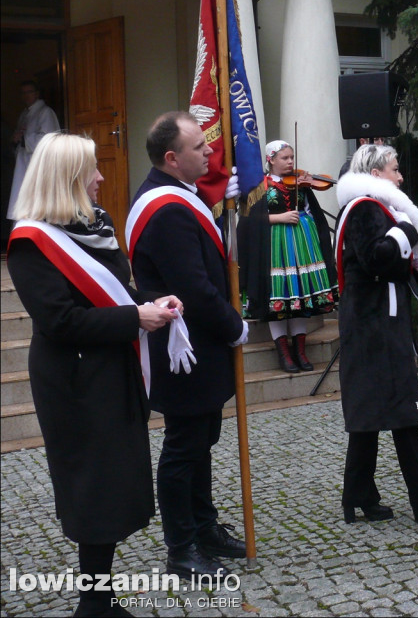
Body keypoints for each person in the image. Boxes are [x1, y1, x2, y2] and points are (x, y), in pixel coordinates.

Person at [7, 133, 182, 617]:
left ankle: (100, 596)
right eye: (92, 170)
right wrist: (135, 319)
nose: (102, 178)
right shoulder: (30, 241)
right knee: (91, 484)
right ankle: (94, 602)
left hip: (112, 366)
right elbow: (60, 321)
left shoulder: (96, 222)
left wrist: (148, 304)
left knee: (117, 479)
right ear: (66, 178)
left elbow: (114, 288)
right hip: (74, 380)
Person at [128, 112, 248, 577]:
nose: (210, 153)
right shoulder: (168, 209)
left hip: (198, 349)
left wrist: (225, 217)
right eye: (200, 147)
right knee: (184, 448)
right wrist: (233, 326)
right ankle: (182, 546)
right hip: (185, 349)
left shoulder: (183, 198)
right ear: (173, 158)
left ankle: (204, 526)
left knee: (201, 443)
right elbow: (194, 288)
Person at [335, 143, 418, 526]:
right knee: (405, 414)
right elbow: (375, 258)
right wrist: (406, 232)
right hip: (375, 327)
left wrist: (413, 262)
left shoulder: (370, 208)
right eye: (394, 169)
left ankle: (358, 497)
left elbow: (385, 264)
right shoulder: (365, 209)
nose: (400, 176)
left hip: (373, 323)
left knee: (369, 414)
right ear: (375, 175)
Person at [239, 140, 337, 372]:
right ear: (270, 160)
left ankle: (300, 351)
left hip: (303, 242)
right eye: (285, 158)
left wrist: (306, 195)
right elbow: (247, 220)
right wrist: (277, 218)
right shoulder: (259, 185)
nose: (291, 162)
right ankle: (285, 353)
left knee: (300, 298)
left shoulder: (300, 182)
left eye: (292, 157)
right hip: (274, 245)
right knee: (279, 297)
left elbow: (312, 211)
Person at [6, 80, 60, 221]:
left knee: (38, 203)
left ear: (37, 93)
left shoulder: (45, 112)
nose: (26, 96)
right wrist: (16, 140)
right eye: (23, 93)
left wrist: (24, 139)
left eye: (29, 92)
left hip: (39, 165)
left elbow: (50, 138)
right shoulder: (25, 114)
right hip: (23, 163)